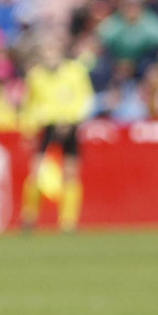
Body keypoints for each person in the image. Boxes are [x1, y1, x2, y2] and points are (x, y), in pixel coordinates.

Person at [20, 33, 95, 233]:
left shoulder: (75, 72)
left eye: (53, 50)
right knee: (36, 171)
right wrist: (28, 128)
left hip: (70, 126)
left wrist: (71, 119)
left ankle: (68, 222)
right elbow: (30, 104)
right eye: (46, 51)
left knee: (71, 172)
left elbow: (85, 99)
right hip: (46, 126)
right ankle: (29, 217)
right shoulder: (36, 76)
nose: (50, 55)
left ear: (61, 52)